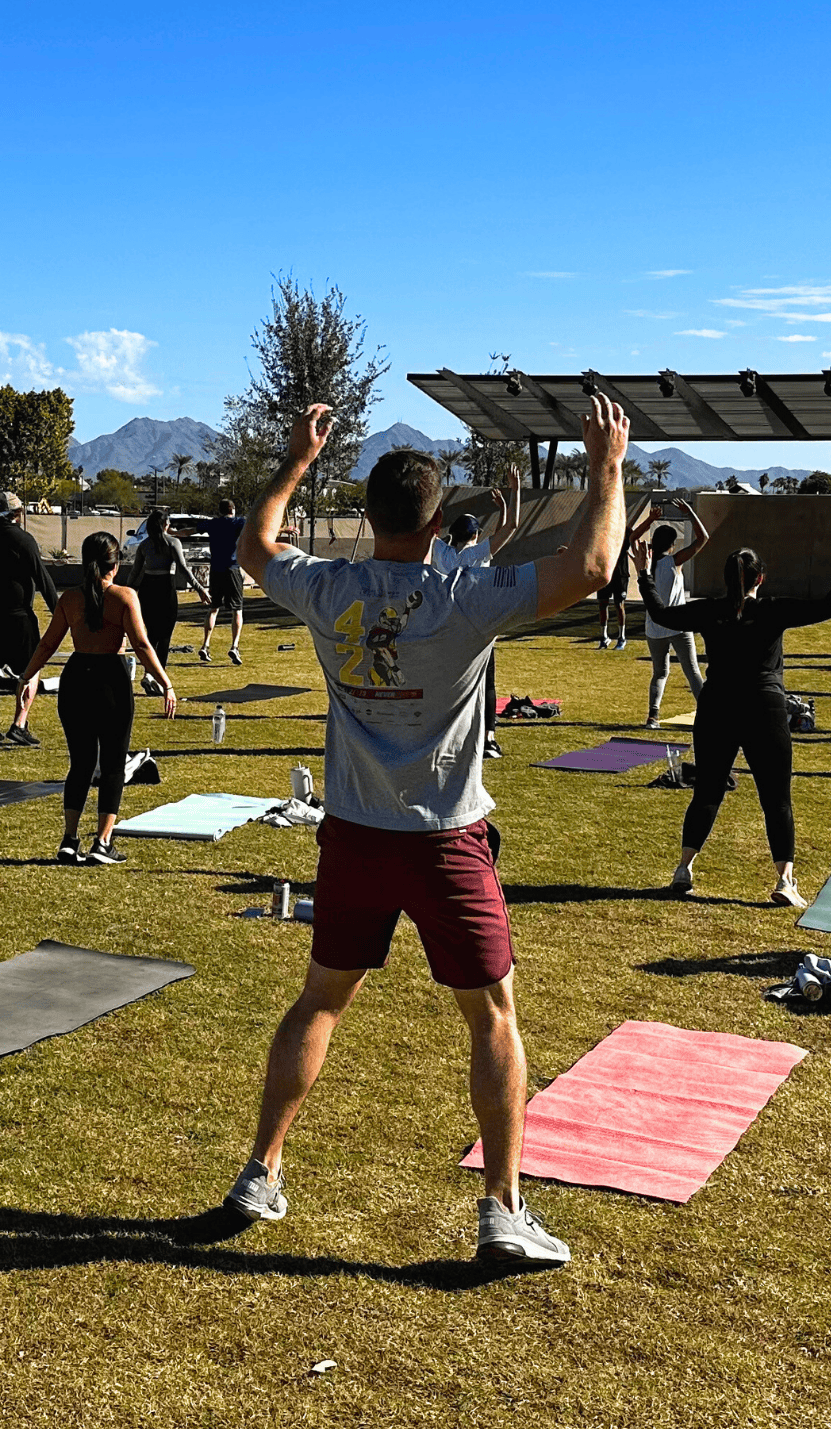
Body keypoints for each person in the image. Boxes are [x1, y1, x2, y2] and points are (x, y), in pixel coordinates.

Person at [223, 393, 629, 1266]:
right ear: (441, 520)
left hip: (356, 838)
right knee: (492, 1018)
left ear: (367, 516)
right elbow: (591, 569)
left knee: (320, 1001)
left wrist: (297, 460)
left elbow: (254, 546)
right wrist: (606, 469)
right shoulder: (464, 593)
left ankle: (262, 1168)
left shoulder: (327, 585)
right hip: (445, 841)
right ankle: (503, 1209)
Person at [635, 525, 831, 907]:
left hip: (717, 706)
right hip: (764, 707)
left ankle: (684, 869)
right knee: (776, 798)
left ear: (727, 579)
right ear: (761, 578)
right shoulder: (772, 609)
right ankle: (784, 881)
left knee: (707, 791)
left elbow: (660, 612)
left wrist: (644, 574)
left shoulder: (711, 609)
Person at [20, 532, 176, 865]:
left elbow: (47, 645)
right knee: (112, 765)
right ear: (115, 564)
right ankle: (102, 843)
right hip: (111, 680)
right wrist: (166, 683)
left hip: (76, 679)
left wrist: (27, 675)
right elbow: (142, 645)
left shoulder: (70, 599)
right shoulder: (124, 596)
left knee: (80, 762)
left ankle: (70, 839)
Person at [429, 466, 522, 760]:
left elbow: (426, 530)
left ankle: (445, 738)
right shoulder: (475, 555)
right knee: (486, 681)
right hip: (479, 625)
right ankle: (488, 739)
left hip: (445, 625)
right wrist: (512, 495)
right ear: (476, 535)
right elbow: (511, 528)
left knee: (447, 683)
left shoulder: (441, 553)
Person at [0, 489, 59, 746]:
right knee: (31, 669)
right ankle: (19, 723)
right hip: (18, 617)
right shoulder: (23, 540)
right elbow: (43, 578)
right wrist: (60, 612)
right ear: (14, 513)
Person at [127, 509, 210, 695]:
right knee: (164, 637)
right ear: (165, 525)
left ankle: (149, 673)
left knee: (151, 635)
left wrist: (128, 590)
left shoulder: (144, 545)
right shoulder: (173, 542)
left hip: (147, 590)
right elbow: (183, 569)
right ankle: (156, 677)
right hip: (165, 588)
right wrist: (200, 589)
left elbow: (135, 572)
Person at [643, 499, 709, 728]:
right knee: (692, 673)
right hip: (678, 625)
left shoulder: (645, 564)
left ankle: (653, 716)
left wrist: (649, 521)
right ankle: (710, 715)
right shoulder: (673, 561)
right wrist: (690, 512)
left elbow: (632, 540)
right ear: (671, 544)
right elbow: (703, 539)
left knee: (659, 673)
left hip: (654, 627)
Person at [595, 506, 657, 650]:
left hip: (620, 575)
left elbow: (637, 533)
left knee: (619, 604)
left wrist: (650, 519)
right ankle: (604, 637)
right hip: (604, 574)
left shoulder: (625, 531)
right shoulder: (601, 532)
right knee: (602, 605)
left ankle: (621, 637)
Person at [198, 500, 246, 665]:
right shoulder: (239, 522)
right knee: (237, 610)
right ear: (232, 509)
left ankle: (205, 645)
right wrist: (284, 529)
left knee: (213, 609)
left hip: (216, 570)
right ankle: (234, 646)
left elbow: (189, 530)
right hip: (232, 569)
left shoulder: (213, 524)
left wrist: (173, 532)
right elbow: (259, 528)